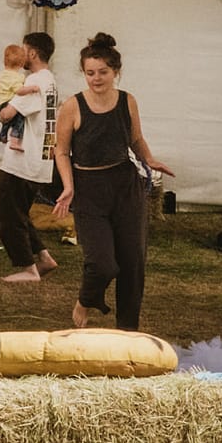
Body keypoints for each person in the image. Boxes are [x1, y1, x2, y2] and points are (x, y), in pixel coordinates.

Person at [53, 31, 175, 330]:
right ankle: (86, 299)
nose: (96, 78)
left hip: (125, 185)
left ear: (115, 72)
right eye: (90, 73)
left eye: (103, 72)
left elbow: (135, 138)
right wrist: (68, 186)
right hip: (89, 190)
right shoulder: (72, 106)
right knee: (103, 264)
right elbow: (61, 151)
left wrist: (149, 158)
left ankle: (128, 332)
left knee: (132, 264)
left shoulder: (127, 101)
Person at [0, 31, 60, 282]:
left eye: (23, 50)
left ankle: (27, 268)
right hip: (38, 159)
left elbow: (7, 115)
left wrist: (0, 96)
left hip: (23, 160)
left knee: (8, 217)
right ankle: (44, 258)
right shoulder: (48, 80)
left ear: (32, 53)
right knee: (19, 212)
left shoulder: (37, 82)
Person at [0, 43, 40, 150]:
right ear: (21, 64)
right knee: (20, 119)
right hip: (8, 102)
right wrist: (31, 89)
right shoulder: (16, 77)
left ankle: (3, 134)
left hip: (0, 102)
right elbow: (19, 91)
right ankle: (14, 141)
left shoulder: (3, 74)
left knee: (7, 122)